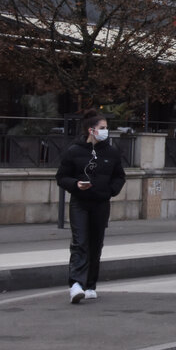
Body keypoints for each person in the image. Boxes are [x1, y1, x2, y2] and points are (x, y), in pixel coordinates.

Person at [55, 109, 126, 304]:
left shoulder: (111, 152)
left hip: (101, 204)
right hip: (80, 203)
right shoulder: (74, 151)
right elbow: (61, 177)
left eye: (106, 128)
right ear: (91, 130)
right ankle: (76, 285)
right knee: (80, 242)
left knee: (96, 244)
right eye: (102, 128)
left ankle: (90, 285)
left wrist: (110, 191)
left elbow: (119, 176)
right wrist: (75, 184)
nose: (105, 131)